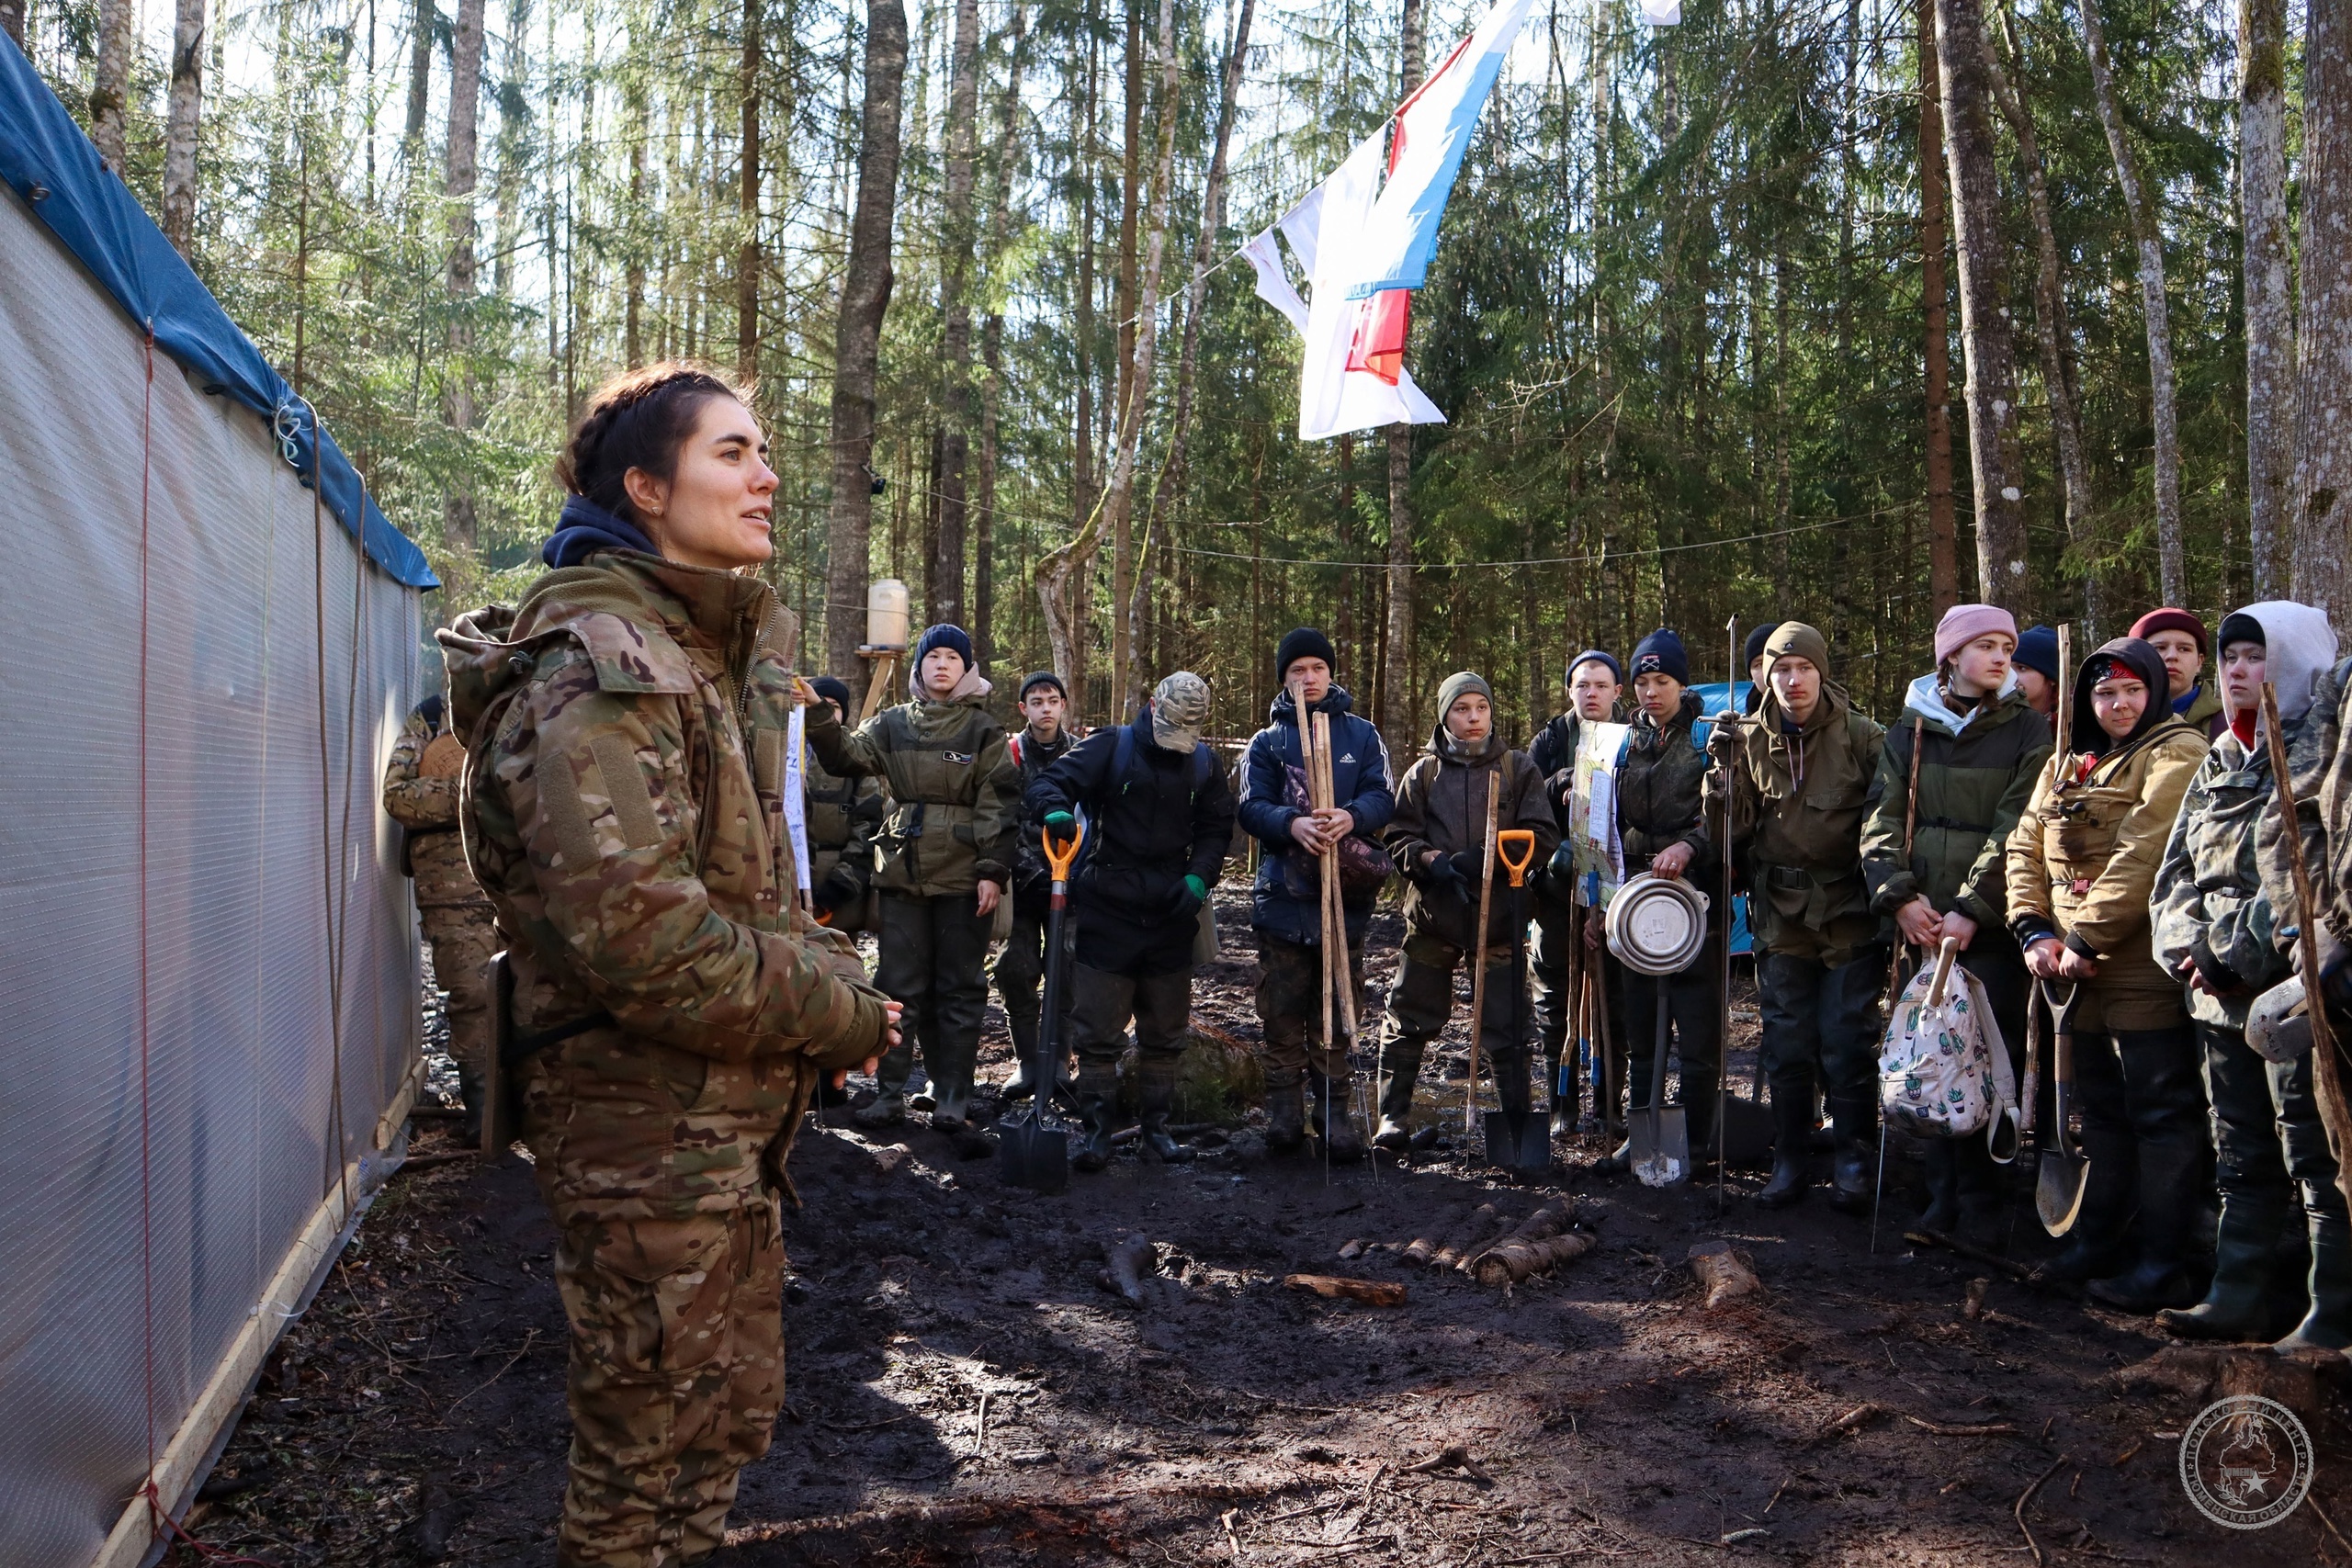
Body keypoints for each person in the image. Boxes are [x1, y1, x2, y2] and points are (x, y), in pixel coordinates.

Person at [440, 363, 896, 1568]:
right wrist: (831, 1010)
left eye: (763, 451)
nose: (768, 476)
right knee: (641, 1468)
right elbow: (646, 942)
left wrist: (833, 973)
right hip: (644, 1133)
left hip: (706, 1124)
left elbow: (742, 883)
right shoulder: (603, 665)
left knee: (709, 1432)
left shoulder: (688, 649)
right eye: (733, 453)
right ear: (645, 487)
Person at [2154, 603, 2350, 1350]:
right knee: (2239, 1151)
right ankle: (2236, 1293)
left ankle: (2329, 1310)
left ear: (2296, 661)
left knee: (2313, 1152)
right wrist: (2185, 947)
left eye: (2254, 656)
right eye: (2230, 656)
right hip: (2213, 996)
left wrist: (2233, 955)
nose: (2236, 670)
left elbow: (2304, 875)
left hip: (2290, 991)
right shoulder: (2219, 756)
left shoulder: (2321, 751)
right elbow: (2175, 867)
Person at [2004, 637, 2209, 1308]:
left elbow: (2146, 850)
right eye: (2103, 692)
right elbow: (2024, 843)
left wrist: (2086, 934)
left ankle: (2160, 1261)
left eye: (2131, 690)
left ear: (2153, 691)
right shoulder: (2069, 761)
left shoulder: (2175, 752)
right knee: (2100, 1111)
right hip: (2064, 966)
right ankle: (2098, 1239)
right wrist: (2032, 927)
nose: (2118, 704)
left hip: (2138, 962)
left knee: (2160, 1110)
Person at [1860, 605, 2051, 1247]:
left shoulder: (2028, 732)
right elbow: (1881, 818)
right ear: (1951, 656)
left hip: (1987, 929)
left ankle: (1985, 1202)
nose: (2001, 658)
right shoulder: (1910, 730)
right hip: (1923, 923)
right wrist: (1901, 898)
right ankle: (1939, 1196)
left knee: (1986, 1058)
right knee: (1927, 1056)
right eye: (1987, 646)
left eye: (2008, 647)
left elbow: (2018, 825)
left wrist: (1972, 908)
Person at [803, 622, 1021, 1134]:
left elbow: (1000, 804)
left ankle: (951, 1095)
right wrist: (816, 713)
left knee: (961, 988)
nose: (941, 664)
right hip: (902, 869)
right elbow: (844, 757)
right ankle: (889, 1094)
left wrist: (992, 870)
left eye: (952, 657)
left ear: (967, 669)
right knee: (897, 984)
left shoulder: (984, 732)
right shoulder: (891, 724)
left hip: (966, 877)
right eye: (932, 656)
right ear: (919, 667)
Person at [1708, 622, 1887, 1212]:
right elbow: (1729, 838)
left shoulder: (1864, 738)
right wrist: (1722, 778)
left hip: (1848, 911)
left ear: (1821, 671)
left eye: (1803, 668)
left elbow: (1887, 826)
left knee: (1846, 1039)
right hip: (1780, 914)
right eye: (1781, 669)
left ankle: (1856, 1155)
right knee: (1786, 1042)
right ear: (1767, 675)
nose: (1792, 680)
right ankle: (1789, 1156)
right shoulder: (1750, 739)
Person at [1025, 672, 1238, 1168]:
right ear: (1152, 705)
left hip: (1172, 910)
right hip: (1107, 906)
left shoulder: (1205, 762)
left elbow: (1216, 828)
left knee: (1164, 1031)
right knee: (1098, 1031)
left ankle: (1156, 1130)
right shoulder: (1111, 746)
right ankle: (1097, 1132)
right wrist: (1055, 811)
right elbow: (1050, 782)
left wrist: (1200, 878)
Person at [1375, 672, 1561, 1148]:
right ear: (1444, 716)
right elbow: (1397, 837)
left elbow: (1542, 837)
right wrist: (1433, 861)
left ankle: (1516, 1122)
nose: (1473, 717)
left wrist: (1487, 856)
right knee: (1408, 1015)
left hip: (1499, 918)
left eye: (1481, 706)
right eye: (1461, 709)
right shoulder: (1423, 775)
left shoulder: (1519, 769)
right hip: (1433, 919)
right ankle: (1392, 1117)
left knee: (1507, 1025)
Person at [1237, 627, 1396, 1160]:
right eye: (1297, 671)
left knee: (1337, 1004)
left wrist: (1351, 816)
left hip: (1344, 899)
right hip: (1282, 899)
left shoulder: (1361, 735)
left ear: (1331, 673)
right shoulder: (1267, 742)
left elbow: (1382, 796)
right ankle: (1284, 1114)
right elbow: (1250, 807)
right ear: (1284, 678)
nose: (1309, 679)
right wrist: (1291, 824)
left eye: (1317, 669)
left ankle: (1334, 1113)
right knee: (1280, 1010)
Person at [1594, 631, 1724, 1170]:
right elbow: (1600, 820)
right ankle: (1643, 1132)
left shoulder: (1709, 740)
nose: (1651, 691)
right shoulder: (1621, 743)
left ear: (1682, 683)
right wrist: (1597, 897)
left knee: (1698, 1030)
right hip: (1634, 903)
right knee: (1642, 1029)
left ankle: (1697, 1137)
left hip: (1695, 904)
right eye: (1643, 682)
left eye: (1662, 681)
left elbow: (1728, 815)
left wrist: (1689, 846)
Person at [382, 686, 501, 1140]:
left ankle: (535, 1111)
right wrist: (477, 790)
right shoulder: (432, 717)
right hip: (453, 894)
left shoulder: (533, 705)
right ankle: (485, 1116)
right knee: (472, 995)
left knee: (536, 994)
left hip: (523, 883)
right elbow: (398, 796)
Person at [1529, 649, 1626, 1136]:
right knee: (1555, 997)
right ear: (1570, 689)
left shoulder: (1634, 737)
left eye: (1601, 685)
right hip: (1556, 888)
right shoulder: (1550, 739)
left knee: (1613, 997)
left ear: (1616, 692)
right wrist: (1559, 784)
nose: (1591, 693)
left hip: (1613, 888)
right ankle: (1561, 1104)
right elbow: (1524, 797)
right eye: (1582, 685)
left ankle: (1609, 1107)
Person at [994, 671, 1078, 1100]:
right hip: (1019, 886)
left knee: (1066, 968)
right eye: (1036, 701)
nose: (1046, 708)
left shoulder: (1081, 754)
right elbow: (998, 816)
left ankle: (1058, 1062)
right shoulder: (1008, 754)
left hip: (1070, 884)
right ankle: (1028, 1063)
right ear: (1023, 709)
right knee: (1016, 969)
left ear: (1064, 705)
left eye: (1053, 700)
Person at [801, 675, 885, 932]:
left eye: (834, 706)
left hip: (842, 890)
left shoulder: (856, 761)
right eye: (818, 702)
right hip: (789, 887)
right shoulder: (785, 756)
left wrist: (838, 889)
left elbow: (869, 830)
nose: (824, 710)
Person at [2132, 608, 2225, 739]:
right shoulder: (2115, 722)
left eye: (2184, 649)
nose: (2172, 656)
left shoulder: (2226, 726)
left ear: (2199, 661)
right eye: (2159, 648)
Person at [2013, 625, 2061, 719]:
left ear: (2051, 677)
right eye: (2007, 669)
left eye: (2022, 668)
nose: (2010, 677)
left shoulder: (2074, 726)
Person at [1742, 622, 1781, 715]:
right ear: (1751, 676)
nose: (1768, 670)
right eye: (1760, 664)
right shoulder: (1746, 726)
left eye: (1775, 662)